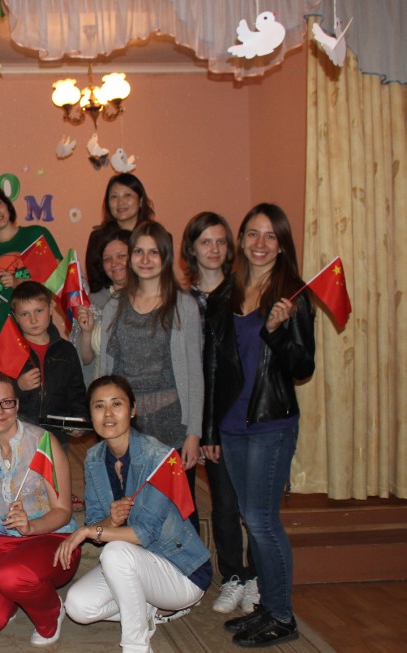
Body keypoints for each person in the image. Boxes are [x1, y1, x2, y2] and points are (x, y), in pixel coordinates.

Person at [203, 203, 315, 647]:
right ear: (241, 240)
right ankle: (268, 606)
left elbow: (303, 366)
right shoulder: (226, 293)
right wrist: (211, 430)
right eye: (252, 233)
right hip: (231, 425)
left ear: (282, 244)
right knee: (251, 518)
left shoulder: (292, 296)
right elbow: (214, 367)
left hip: (271, 422)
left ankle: (282, 616)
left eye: (270, 235)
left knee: (262, 522)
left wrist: (276, 330)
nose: (260, 243)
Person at [58, 375, 212, 652]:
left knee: (115, 552)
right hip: (132, 565)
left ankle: (136, 645)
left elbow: (144, 534)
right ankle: (149, 609)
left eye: (116, 404)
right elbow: (96, 522)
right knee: (78, 607)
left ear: (132, 410)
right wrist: (110, 521)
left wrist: (88, 531)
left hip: (180, 570)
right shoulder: (94, 459)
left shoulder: (158, 457)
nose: (108, 413)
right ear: (90, 414)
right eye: (99, 406)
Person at [76, 221, 204, 530]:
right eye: (138, 252)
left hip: (172, 425)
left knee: (179, 509)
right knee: (130, 506)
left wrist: (194, 433)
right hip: (126, 425)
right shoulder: (114, 306)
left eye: (154, 252)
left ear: (166, 257)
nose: (145, 259)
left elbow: (194, 373)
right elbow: (106, 371)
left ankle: (188, 561)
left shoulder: (183, 305)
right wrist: (103, 419)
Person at [0, 372, 79, 647]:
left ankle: (52, 613)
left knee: (12, 575)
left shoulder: (43, 443)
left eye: (6, 402)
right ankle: (13, 596)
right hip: (1, 540)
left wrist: (31, 526)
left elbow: (63, 511)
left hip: (52, 538)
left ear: (17, 404)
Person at [181, 212, 258, 615]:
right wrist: (201, 427)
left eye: (220, 241)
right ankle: (232, 575)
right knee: (224, 504)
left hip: (243, 411)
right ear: (191, 248)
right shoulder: (183, 300)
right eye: (205, 242)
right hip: (202, 415)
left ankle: (257, 575)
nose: (213, 249)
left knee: (254, 504)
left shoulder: (245, 293)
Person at [0, 184, 61, 367]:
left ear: (7, 204)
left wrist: (20, 282)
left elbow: (57, 279)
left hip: (39, 335)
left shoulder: (35, 235)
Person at [0, 281, 88, 449]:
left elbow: (76, 392)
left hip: (56, 436)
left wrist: (79, 420)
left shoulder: (66, 350)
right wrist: (17, 387)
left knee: (56, 467)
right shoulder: (4, 349)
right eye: (25, 314)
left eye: (39, 311)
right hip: (15, 434)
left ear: (51, 308)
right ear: (15, 316)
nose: (33, 320)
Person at [84, 173, 154, 293]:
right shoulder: (98, 238)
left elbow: (163, 279)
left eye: (127, 195)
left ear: (141, 200)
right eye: (114, 197)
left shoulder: (156, 237)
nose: (120, 202)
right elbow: (95, 284)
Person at [86, 225, 133, 310]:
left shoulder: (153, 295)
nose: (114, 263)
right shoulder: (95, 301)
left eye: (121, 256)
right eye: (107, 259)